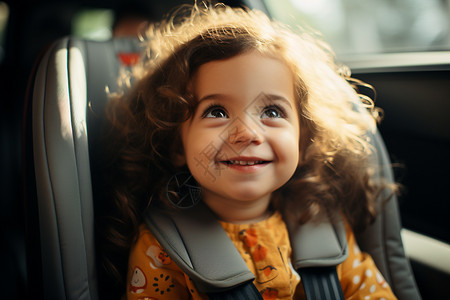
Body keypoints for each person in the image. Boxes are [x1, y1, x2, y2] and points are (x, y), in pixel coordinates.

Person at [103, 2, 398, 299]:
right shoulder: (161, 250)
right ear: (177, 144)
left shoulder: (325, 228)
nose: (247, 133)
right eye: (216, 112)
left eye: (271, 111)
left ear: (303, 138)